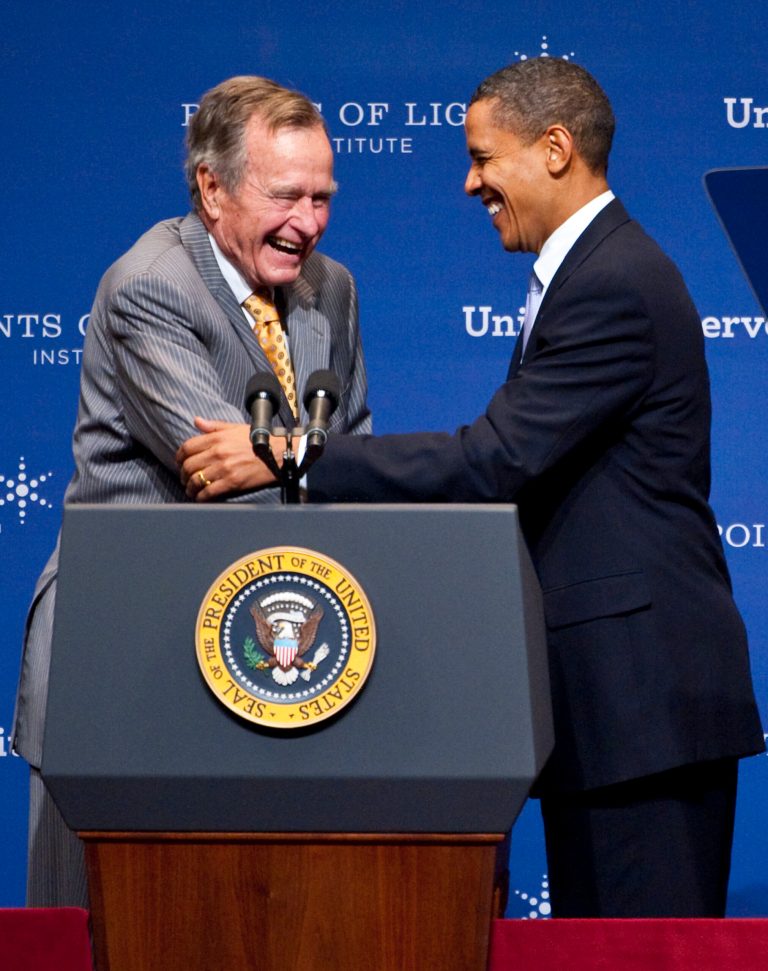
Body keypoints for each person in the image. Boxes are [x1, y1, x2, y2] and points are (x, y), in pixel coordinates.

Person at [181, 58, 764, 917]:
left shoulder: (614, 282)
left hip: (645, 710)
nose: (469, 180)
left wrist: (292, 454)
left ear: (556, 149)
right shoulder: (589, 274)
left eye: (485, 156)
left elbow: (494, 458)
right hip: (611, 710)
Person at [13, 75, 371, 907]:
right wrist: (316, 461)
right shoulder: (151, 284)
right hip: (122, 651)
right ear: (211, 188)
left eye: (324, 197)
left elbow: (345, 462)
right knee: (103, 929)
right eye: (287, 195)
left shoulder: (334, 290)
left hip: (266, 655)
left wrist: (295, 456)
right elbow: (222, 470)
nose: (309, 223)